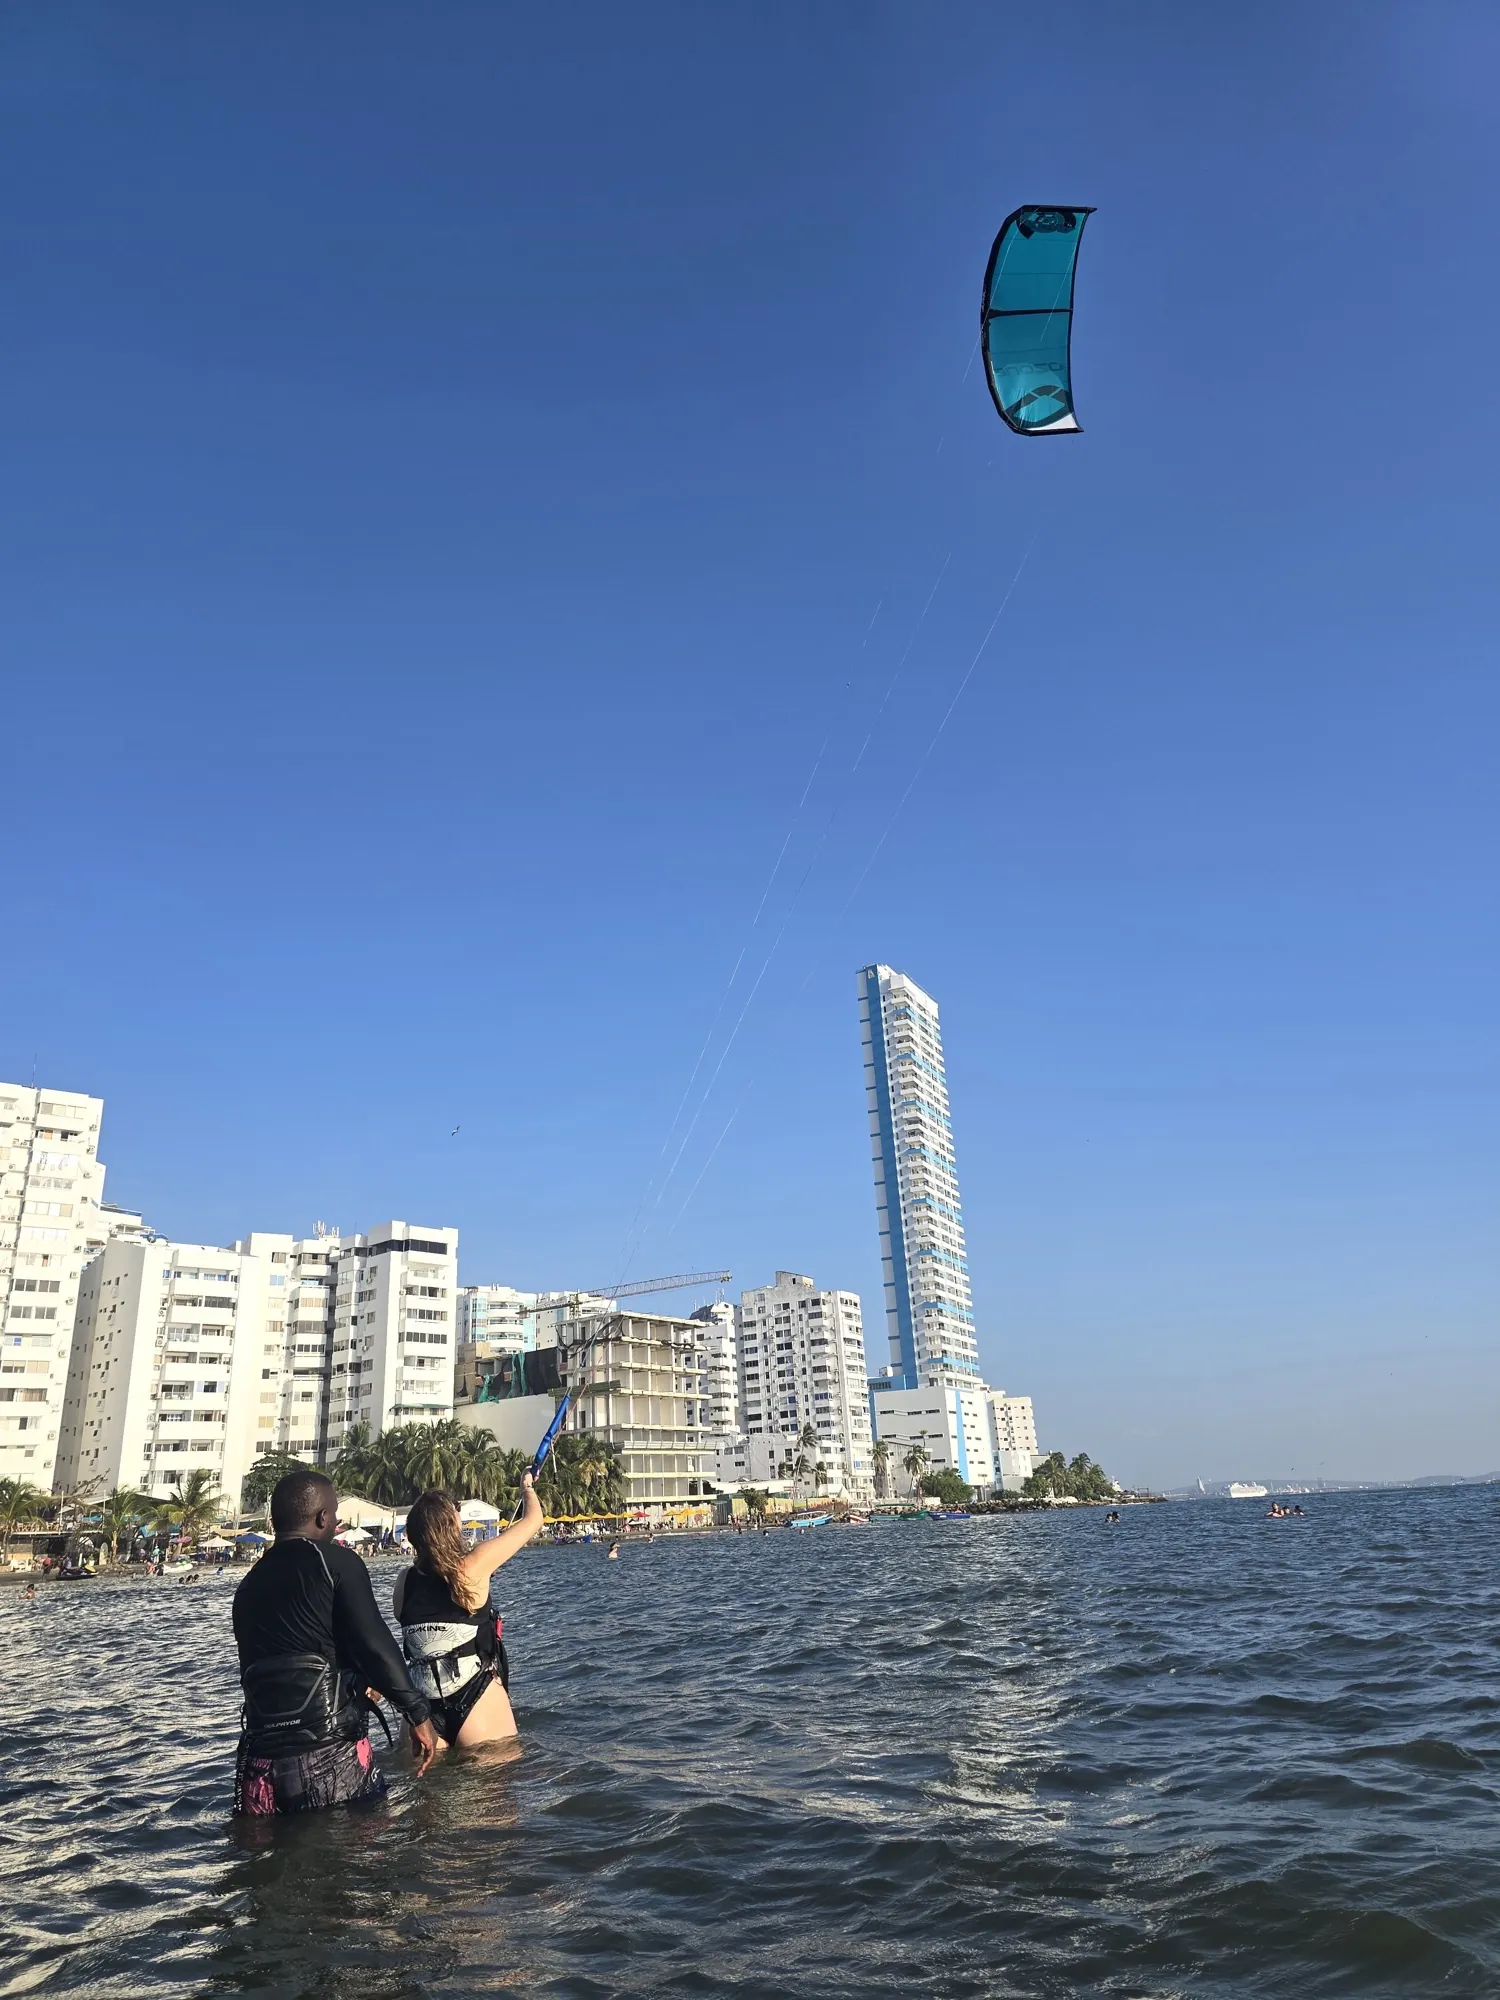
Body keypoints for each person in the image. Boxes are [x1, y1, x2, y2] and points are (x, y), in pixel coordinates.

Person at [232, 1470, 438, 1818]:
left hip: (259, 1766)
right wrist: (417, 1712)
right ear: (323, 1517)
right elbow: (375, 1644)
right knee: (361, 1859)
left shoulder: (247, 1587)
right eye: (335, 1512)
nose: (338, 1519)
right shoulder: (337, 1563)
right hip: (328, 1758)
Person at [394, 1473, 545, 1753]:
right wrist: (527, 1488)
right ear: (451, 1528)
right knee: (494, 1793)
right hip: (475, 1700)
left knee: (427, 1795)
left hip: (420, 1711)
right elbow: (533, 1520)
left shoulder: (404, 1580)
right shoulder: (474, 1566)